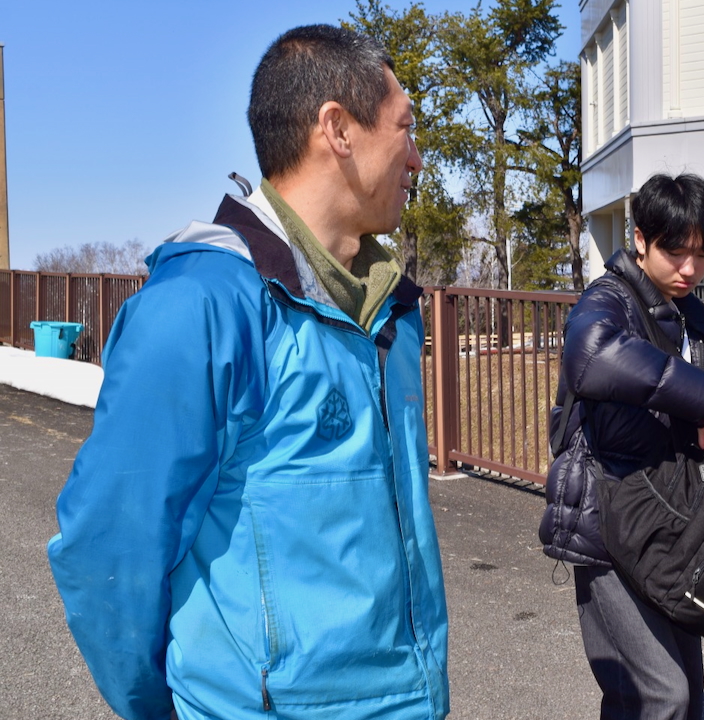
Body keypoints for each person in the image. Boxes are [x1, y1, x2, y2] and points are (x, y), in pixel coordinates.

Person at [47, 25, 448, 720]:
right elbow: (108, 548)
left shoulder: (395, 310)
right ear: (337, 130)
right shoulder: (200, 306)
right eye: (405, 128)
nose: (416, 158)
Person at [539, 173, 704, 720]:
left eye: (703, 253)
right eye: (675, 251)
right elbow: (592, 355)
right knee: (659, 695)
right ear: (641, 239)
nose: (690, 268)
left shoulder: (692, 318)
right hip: (607, 526)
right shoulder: (608, 299)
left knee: (683, 694)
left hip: (673, 527)